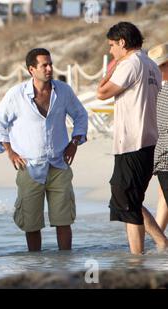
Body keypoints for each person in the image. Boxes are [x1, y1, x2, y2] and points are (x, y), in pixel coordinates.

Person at [0, 48, 88, 251]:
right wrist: (9, 151)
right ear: (31, 69)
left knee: (64, 220)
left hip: (59, 164)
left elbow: (80, 115)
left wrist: (74, 143)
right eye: (44, 65)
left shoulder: (63, 90)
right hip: (29, 166)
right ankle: (36, 268)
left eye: (50, 64)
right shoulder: (16, 94)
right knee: (31, 222)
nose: (50, 68)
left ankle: (65, 264)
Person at [97, 22, 167, 254]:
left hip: (132, 143)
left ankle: (137, 258)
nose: (110, 51)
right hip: (148, 141)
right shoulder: (151, 65)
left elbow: (101, 93)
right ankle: (161, 243)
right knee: (128, 199)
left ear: (122, 43)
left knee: (127, 203)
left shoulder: (130, 63)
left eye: (111, 46)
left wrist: (113, 67)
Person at [149, 42, 168, 232]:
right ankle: (160, 240)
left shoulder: (160, 89)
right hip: (162, 155)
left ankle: (159, 240)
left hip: (164, 155)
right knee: (163, 195)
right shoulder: (159, 89)